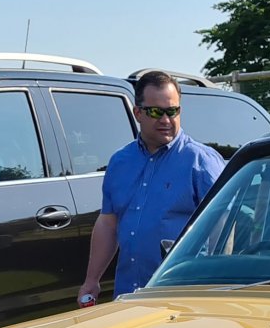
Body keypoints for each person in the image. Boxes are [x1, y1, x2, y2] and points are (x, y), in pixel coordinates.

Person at [78, 70, 224, 304]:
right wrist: (91, 280)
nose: (166, 120)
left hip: (181, 298)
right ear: (138, 113)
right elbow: (108, 222)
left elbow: (224, 228)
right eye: (156, 112)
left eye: (172, 111)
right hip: (128, 295)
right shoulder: (120, 162)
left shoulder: (201, 161)